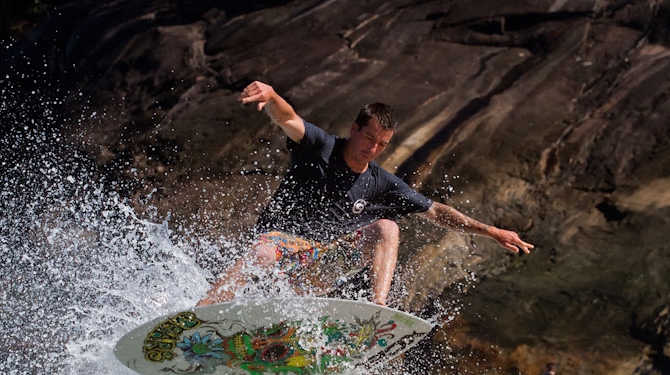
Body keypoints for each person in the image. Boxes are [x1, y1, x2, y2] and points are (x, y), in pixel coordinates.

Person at [197, 80, 534, 307]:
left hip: (319, 262)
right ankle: (202, 314)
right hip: (278, 246)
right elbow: (289, 119)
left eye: (382, 144)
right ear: (354, 129)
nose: (372, 149)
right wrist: (271, 97)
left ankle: (376, 312)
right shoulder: (321, 147)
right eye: (368, 139)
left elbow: (436, 212)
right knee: (266, 252)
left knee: (387, 227)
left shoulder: (381, 182)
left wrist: (489, 231)